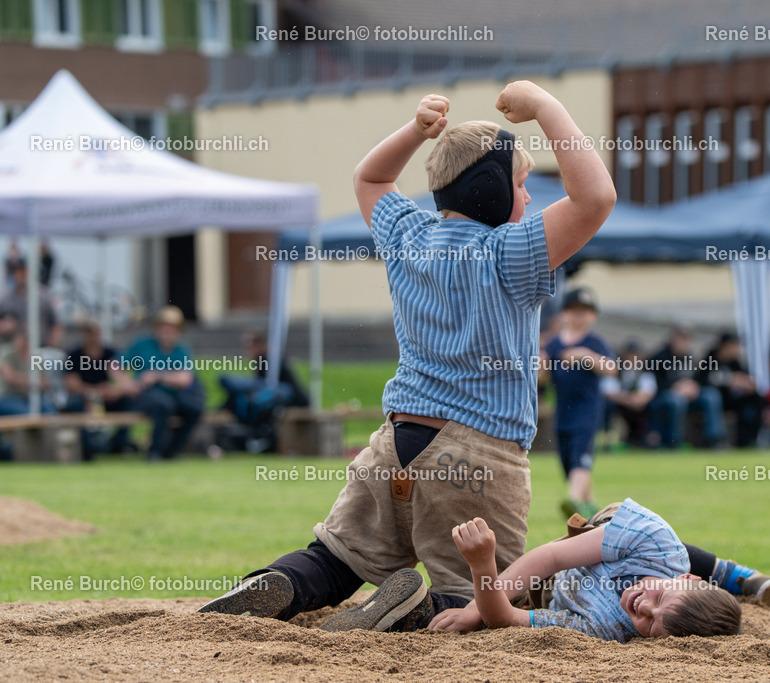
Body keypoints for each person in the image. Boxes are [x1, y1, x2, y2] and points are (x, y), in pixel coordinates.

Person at [197, 81, 616, 623]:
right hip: (479, 454)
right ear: (493, 190)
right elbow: (595, 196)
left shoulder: (408, 237)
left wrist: (417, 131)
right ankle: (418, 607)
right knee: (482, 600)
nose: (532, 196)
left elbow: (369, 176)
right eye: (522, 183)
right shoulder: (513, 252)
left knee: (334, 558)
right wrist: (546, 107)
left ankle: (282, 582)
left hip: (393, 443)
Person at [322, 499, 770, 640]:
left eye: (648, 624)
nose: (641, 608)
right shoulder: (658, 550)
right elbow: (553, 555)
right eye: (658, 601)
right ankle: (737, 576)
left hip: (560, 595)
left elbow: (508, 620)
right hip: (593, 538)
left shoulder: (609, 627)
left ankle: (415, 608)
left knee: (472, 611)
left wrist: (483, 572)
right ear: (686, 584)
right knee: (673, 551)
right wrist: (480, 603)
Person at [541, 287, 616, 519]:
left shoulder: (594, 343)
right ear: (565, 314)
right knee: (567, 459)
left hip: (587, 410)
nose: (579, 317)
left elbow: (611, 369)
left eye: (584, 312)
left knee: (580, 457)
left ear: (592, 316)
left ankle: (573, 500)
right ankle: (591, 505)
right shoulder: (554, 345)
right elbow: (544, 378)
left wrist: (586, 356)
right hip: (564, 411)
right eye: (574, 311)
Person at [122, 306, 205, 461]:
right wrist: (127, 384)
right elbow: (116, 365)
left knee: (193, 408)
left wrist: (158, 376)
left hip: (174, 394)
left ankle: (172, 450)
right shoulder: (143, 345)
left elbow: (185, 379)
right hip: (146, 395)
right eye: (164, 326)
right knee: (163, 405)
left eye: (172, 327)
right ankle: (154, 452)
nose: (168, 331)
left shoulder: (181, 350)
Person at [64, 320, 137, 458]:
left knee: (128, 402)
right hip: (84, 396)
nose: (92, 337)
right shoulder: (74, 355)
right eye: (89, 333)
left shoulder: (110, 353)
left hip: (108, 396)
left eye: (95, 333)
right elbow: (71, 383)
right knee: (75, 404)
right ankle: (86, 448)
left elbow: (123, 379)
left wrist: (113, 390)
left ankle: (120, 444)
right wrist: (93, 391)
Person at [648, 327, 725, 449]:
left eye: (686, 340)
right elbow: (652, 384)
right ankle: (675, 441)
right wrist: (675, 388)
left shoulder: (688, 357)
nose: (682, 343)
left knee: (711, 395)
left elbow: (697, 378)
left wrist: (693, 386)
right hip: (664, 397)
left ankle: (714, 439)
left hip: (689, 396)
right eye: (680, 339)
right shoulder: (659, 357)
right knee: (677, 401)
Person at [699, 333, 764, 448]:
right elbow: (702, 380)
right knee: (712, 397)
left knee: (756, 397)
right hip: (716, 399)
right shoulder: (710, 359)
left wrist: (747, 384)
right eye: (734, 346)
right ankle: (715, 440)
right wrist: (729, 380)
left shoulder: (734, 362)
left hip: (731, 399)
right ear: (725, 346)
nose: (737, 349)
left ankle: (752, 438)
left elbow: (745, 379)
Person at [602, 340, 657, 447]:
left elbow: (649, 392)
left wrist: (637, 399)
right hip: (620, 405)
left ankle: (650, 438)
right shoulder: (616, 369)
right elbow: (608, 391)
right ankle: (607, 438)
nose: (633, 358)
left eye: (636, 354)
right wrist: (628, 399)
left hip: (639, 406)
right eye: (631, 354)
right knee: (607, 405)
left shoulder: (645, 371)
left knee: (655, 405)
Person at [0, 258, 62, 347]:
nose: (22, 275)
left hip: (41, 348)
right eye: (19, 272)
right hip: (13, 352)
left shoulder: (44, 297)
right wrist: (6, 326)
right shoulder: (7, 300)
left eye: (25, 271)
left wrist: (52, 345)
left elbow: (56, 324)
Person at [0, 325, 58, 415]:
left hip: (31, 396)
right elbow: (10, 378)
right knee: (27, 413)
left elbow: (45, 382)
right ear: (16, 337)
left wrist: (20, 378)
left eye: (26, 338)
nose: (24, 341)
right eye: (22, 337)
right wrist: (33, 381)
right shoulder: (7, 353)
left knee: (50, 413)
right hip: (9, 397)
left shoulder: (36, 356)